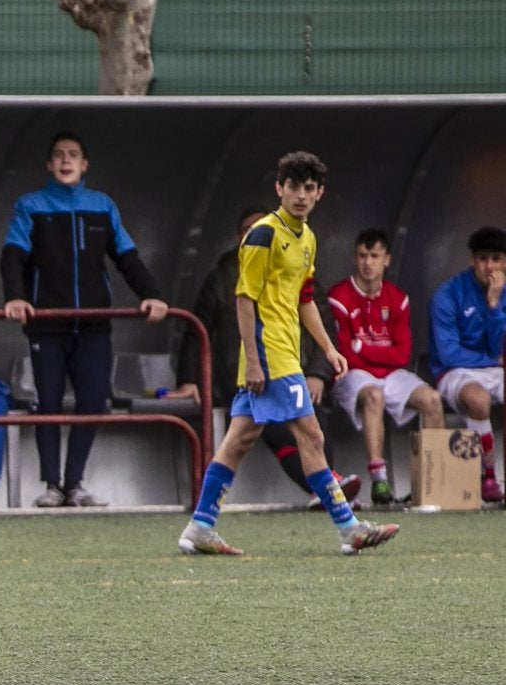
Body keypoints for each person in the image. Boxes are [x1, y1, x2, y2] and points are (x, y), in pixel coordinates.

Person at [176, 151, 399, 556]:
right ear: (279, 189)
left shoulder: (307, 238)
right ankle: (348, 526)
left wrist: (329, 348)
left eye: (308, 188)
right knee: (311, 435)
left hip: (285, 353)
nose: (300, 195)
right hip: (271, 355)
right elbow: (244, 298)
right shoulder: (263, 234)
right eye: (293, 187)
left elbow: (305, 300)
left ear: (319, 194)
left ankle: (200, 525)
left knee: (240, 439)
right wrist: (256, 360)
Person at [0, 131, 168, 508]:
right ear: (49, 164)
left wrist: (152, 295)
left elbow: (127, 257)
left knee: (93, 400)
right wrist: (16, 297)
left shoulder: (102, 205)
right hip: (47, 324)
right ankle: (51, 485)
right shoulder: (32, 205)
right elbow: (12, 255)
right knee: (49, 403)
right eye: (58, 154)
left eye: (73, 154)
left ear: (84, 164)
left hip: (93, 326)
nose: (66, 160)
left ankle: (74, 484)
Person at [167, 207, 363, 508]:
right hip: (255, 367)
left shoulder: (297, 252)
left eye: (260, 228)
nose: (256, 235)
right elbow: (201, 329)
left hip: (287, 362)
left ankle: (201, 524)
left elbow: (313, 307)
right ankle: (333, 499)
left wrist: (321, 367)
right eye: (249, 230)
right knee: (303, 433)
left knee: (249, 439)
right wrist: (190, 379)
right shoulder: (223, 276)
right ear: (239, 238)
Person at [327, 228, 445, 505]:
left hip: (390, 373)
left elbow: (402, 355)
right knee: (373, 395)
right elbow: (344, 354)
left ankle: (430, 486)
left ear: (387, 260)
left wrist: (362, 348)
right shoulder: (339, 297)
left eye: (374, 256)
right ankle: (379, 481)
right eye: (362, 256)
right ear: (355, 259)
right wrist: (375, 352)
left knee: (432, 399)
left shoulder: (397, 298)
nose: (368, 263)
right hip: (351, 376)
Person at [427, 226, 506, 503]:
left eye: (496, 259)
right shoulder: (448, 294)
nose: (490, 266)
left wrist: (494, 306)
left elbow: (500, 347)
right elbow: (449, 354)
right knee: (478, 399)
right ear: (472, 260)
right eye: (483, 258)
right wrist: (493, 361)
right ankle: (488, 475)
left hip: (494, 368)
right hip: (455, 371)